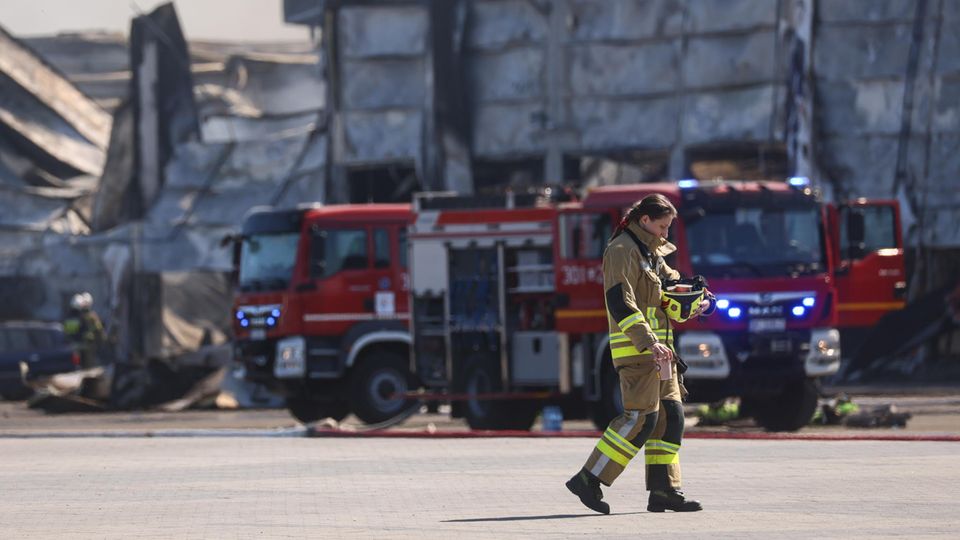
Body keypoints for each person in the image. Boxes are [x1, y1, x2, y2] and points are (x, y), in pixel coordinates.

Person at [566, 194, 716, 514]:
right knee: (640, 420)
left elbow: (670, 288)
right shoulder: (621, 250)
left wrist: (697, 296)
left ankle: (664, 490)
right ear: (645, 220)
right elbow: (621, 302)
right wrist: (648, 341)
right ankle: (589, 479)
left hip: (662, 354)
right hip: (639, 351)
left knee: (671, 418)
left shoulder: (651, 254)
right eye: (662, 226)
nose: (666, 234)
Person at [63, 292, 106, 369]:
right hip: (85, 344)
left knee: (76, 366)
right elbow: (97, 330)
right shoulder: (87, 317)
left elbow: (66, 331)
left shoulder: (68, 317)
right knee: (88, 365)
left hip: (72, 345)